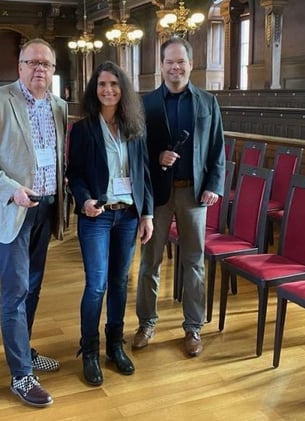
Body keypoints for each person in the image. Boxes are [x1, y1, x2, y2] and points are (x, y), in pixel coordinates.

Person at [0, 38, 68, 408]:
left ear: (53, 71)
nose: (40, 69)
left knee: (34, 286)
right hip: (14, 209)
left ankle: (23, 349)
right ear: (20, 67)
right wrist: (12, 191)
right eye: (32, 62)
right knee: (15, 291)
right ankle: (21, 374)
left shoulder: (59, 106)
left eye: (46, 64)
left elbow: (56, 157)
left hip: (46, 207)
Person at [134, 37, 225, 357]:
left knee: (194, 262)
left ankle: (193, 327)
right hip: (157, 195)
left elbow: (217, 147)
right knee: (150, 262)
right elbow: (135, 151)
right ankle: (146, 323)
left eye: (180, 62)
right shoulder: (145, 104)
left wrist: (214, 184)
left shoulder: (207, 102)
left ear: (191, 64)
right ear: (161, 66)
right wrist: (156, 157)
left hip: (194, 193)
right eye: (169, 62)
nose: (175, 67)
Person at [67, 61, 153, 386]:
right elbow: (74, 174)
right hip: (97, 216)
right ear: (95, 89)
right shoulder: (84, 129)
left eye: (114, 84)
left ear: (123, 89)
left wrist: (147, 214)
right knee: (96, 285)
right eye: (102, 84)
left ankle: (115, 346)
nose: (108, 90)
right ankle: (89, 350)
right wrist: (84, 200)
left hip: (128, 215)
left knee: (119, 282)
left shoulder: (135, 126)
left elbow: (143, 173)